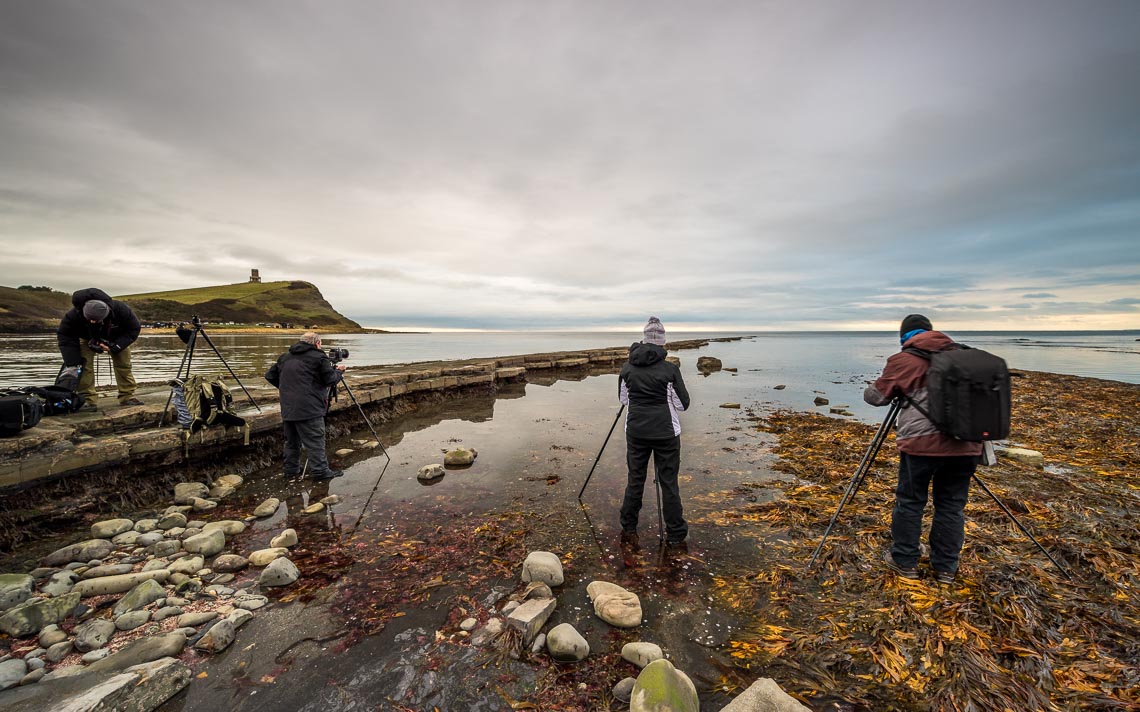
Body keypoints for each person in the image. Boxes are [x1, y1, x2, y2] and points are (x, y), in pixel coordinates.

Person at [863, 314, 982, 584]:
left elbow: (876, 398)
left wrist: (877, 385)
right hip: (966, 445)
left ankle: (904, 561)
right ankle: (945, 569)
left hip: (920, 445)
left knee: (910, 501)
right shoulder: (966, 356)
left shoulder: (903, 360)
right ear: (932, 331)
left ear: (904, 336)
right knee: (951, 507)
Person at [618, 316, 691, 546]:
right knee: (668, 481)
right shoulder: (670, 370)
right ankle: (676, 534)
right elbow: (682, 404)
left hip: (636, 431)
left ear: (644, 339)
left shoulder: (627, 368)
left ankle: (629, 527)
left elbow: (623, 399)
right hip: (666, 434)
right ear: (662, 342)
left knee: (635, 479)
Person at [265, 332, 346, 481]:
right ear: (317, 343)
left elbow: (270, 376)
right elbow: (330, 380)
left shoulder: (285, 357)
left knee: (291, 442)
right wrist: (339, 372)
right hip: (310, 407)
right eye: (320, 344)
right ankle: (320, 471)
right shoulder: (319, 358)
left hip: (288, 407)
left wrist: (286, 388)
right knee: (315, 440)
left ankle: (291, 471)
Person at [56, 288, 143, 411]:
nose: (93, 322)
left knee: (124, 365)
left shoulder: (121, 310)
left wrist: (116, 346)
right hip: (86, 338)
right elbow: (65, 337)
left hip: (116, 337)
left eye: (97, 320)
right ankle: (87, 399)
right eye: (90, 320)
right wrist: (73, 361)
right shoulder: (73, 316)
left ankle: (127, 396)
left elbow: (133, 329)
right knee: (84, 367)